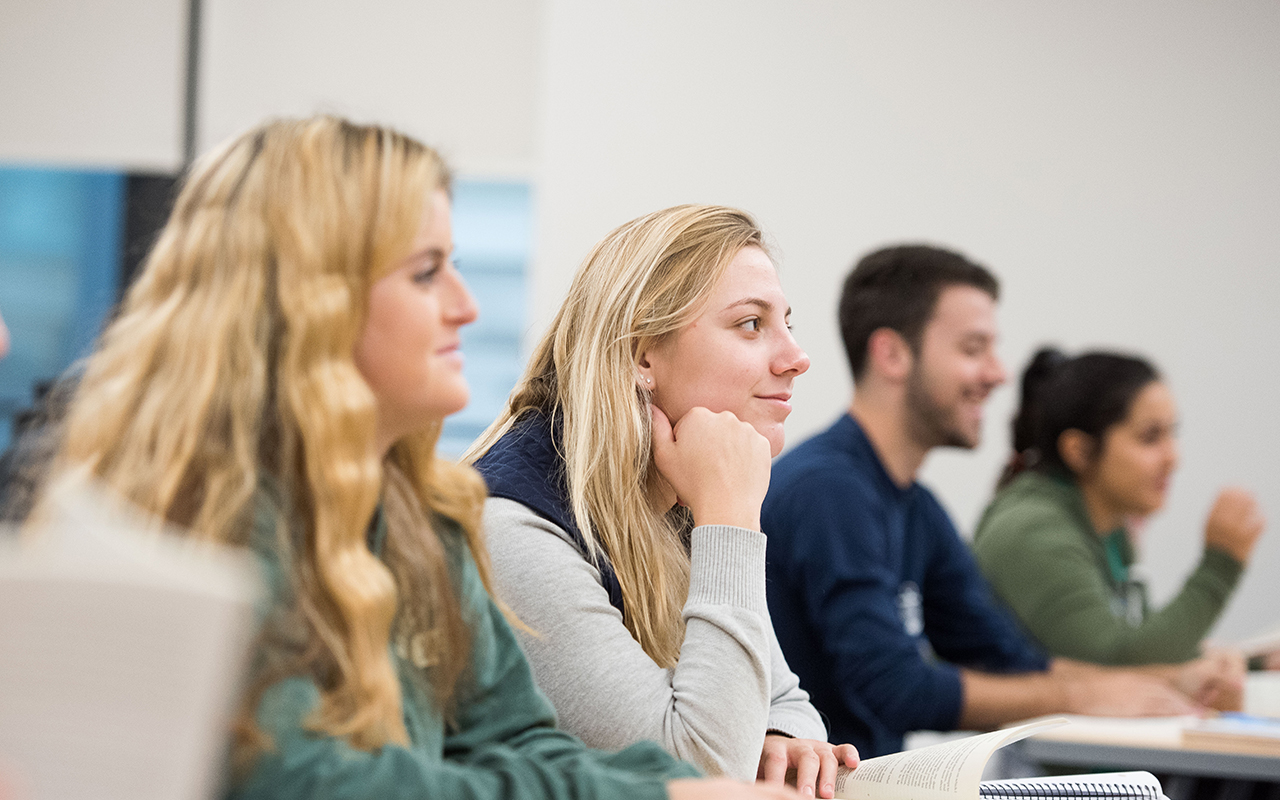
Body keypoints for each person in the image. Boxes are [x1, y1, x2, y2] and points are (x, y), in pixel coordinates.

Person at [32, 117, 799, 800]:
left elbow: (514, 739)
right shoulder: (215, 503)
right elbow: (301, 779)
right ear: (314, 299)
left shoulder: (421, 513)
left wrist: (699, 777)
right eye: (427, 272)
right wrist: (665, 791)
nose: (466, 305)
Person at [760, 244, 1231, 760]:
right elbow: (895, 687)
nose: (998, 373)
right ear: (892, 354)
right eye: (973, 348)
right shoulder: (826, 491)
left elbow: (1005, 658)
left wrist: (1172, 681)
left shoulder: (917, 506)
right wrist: (1082, 697)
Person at [467, 205, 858, 797]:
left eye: (787, 323)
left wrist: (779, 734)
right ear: (643, 355)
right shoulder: (515, 528)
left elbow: (785, 698)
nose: (795, 357)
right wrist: (730, 518)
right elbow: (693, 770)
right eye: (751, 324)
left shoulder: (671, 493)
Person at [972, 347, 1264, 668]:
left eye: (1172, 433)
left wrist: (1253, 663)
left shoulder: (1110, 527)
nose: (1173, 457)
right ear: (1080, 451)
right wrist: (1220, 566)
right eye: (1151, 437)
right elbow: (1117, 663)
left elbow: (1140, 638)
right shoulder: (1032, 530)